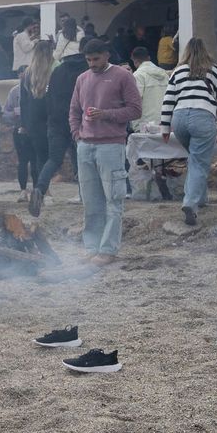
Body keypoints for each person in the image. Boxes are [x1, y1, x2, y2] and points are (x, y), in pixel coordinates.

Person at [69, 38, 142, 264]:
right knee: (90, 201)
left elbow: (135, 110)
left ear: (107, 55)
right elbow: (73, 110)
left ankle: (108, 249)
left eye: (96, 59)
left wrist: (106, 114)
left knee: (113, 199)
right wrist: (77, 134)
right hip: (85, 145)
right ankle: (92, 246)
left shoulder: (123, 76)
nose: (92, 63)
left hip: (111, 145)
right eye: (88, 59)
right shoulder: (82, 78)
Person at [159, 38, 217, 227]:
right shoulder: (213, 69)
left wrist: (165, 127)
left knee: (195, 158)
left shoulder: (178, 71)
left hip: (179, 117)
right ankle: (190, 203)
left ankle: (201, 199)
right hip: (203, 116)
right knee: (199, 162)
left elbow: (168, 100)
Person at [19, 41, 55, 204]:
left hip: (34, 121)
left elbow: (24, 102)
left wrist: (25, 124)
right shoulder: (54, 70)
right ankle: (45, 192)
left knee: (40, 157)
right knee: (52, 157)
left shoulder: (27, 73)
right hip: (51, 119)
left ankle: (43, 191)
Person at [130, 47, 170, 134]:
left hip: (145, 126)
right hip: (164, 122)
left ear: (135, 61)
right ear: (149, 58)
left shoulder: (138, 75)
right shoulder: (164, 74)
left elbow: (135, 100)